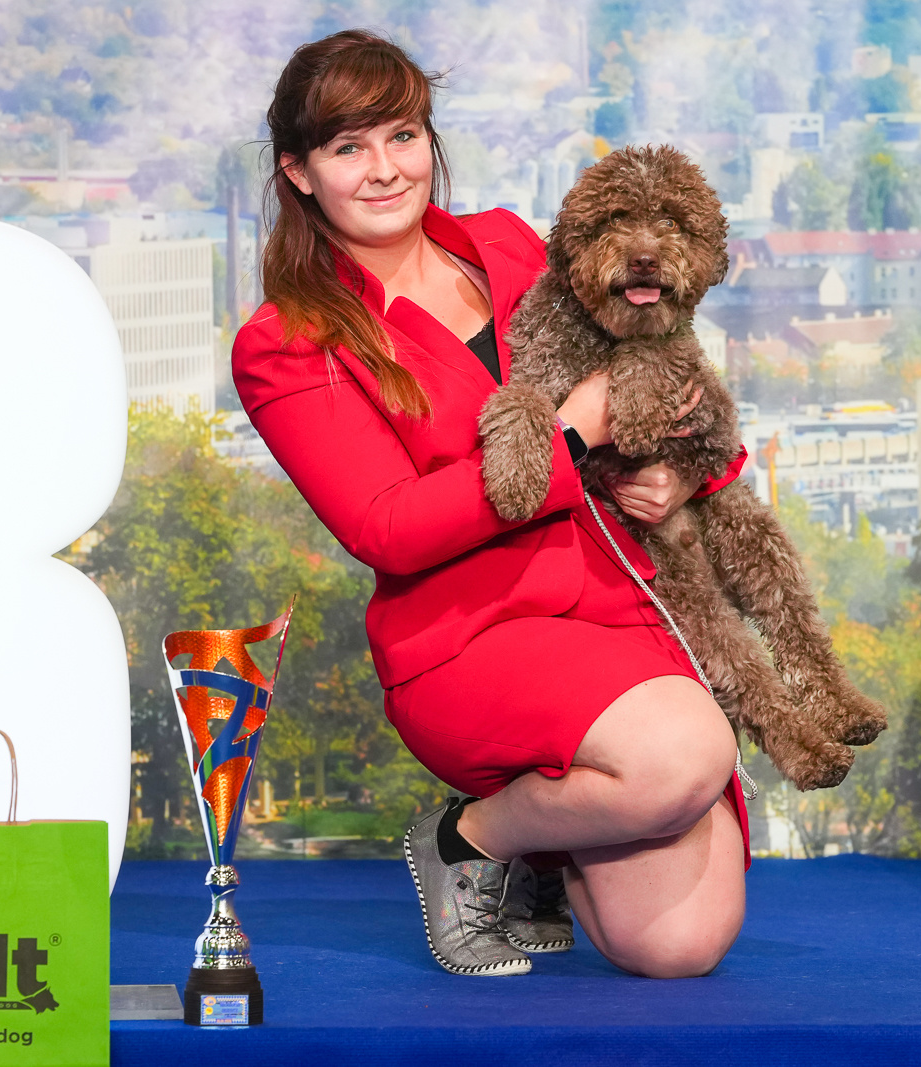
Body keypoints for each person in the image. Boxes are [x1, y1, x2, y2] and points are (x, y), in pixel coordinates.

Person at [233, 30, 751, 979]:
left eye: (403, 136)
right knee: (684, 755)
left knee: (678, 946)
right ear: (298, 173)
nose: (386, 169)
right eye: (348, 148)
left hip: (615, 604)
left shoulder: (510, 243)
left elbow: (657, 360)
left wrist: (685, 474)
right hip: (469, 635)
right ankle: (470, 838)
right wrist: (574, 434)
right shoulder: (287, 341)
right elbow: (386, 526)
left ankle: (548, 845)